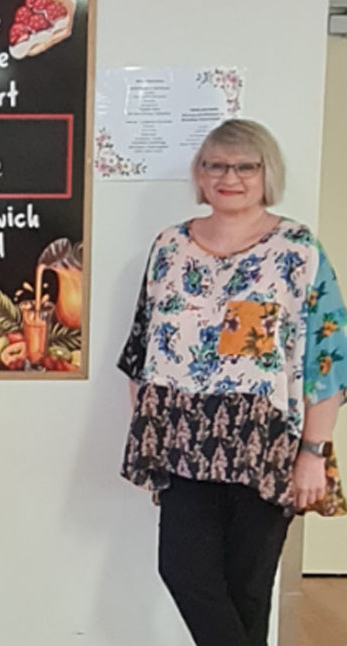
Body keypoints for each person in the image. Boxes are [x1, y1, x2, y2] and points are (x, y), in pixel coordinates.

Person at [118, 118, 347, 646]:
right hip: (181, 438)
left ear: (267, 175)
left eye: (247, 165)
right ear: (200, 176)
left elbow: (327, 359)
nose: (230, 176)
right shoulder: (170, 246)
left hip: (266, 441)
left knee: (248, 588)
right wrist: (149, 434)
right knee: (183, 569)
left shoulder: (297, 250)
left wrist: (313, 451)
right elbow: (143, 348)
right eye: (215, 164)